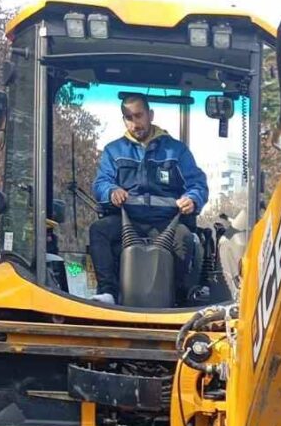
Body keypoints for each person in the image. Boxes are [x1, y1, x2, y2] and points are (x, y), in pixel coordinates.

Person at [88, 93, 209, 305]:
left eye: (139, 115)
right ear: (124, 120)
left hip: (166, 222)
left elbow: (197, 183)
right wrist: (111, 191)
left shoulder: (176, 151)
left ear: (150, 115)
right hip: (127, 221)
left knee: (184, 238)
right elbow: (101, 183)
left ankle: (176, 300)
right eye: (129, 118)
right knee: (98, 230)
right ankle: (109, 293)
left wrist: (192, 198)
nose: (135, 123)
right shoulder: (113, 151)